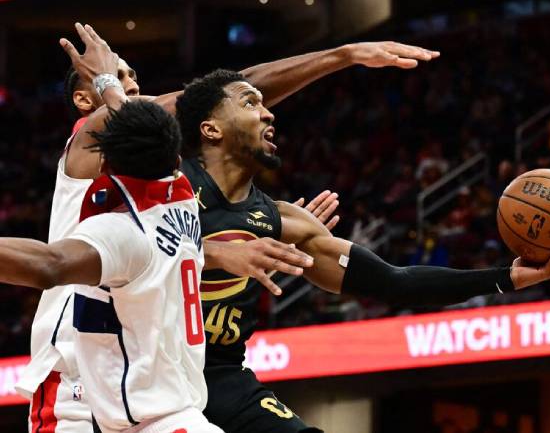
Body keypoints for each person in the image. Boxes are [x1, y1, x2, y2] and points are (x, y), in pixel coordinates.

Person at [18, 23, 440, 432]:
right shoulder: (89, 149)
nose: (131, 84)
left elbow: (223, 102)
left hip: (153, 381)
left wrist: (249, 234)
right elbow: (68, 261)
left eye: (134, 76)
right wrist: (340, 55)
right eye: (120, 76)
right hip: (77, 379)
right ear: (82, 100)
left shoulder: (171, 185)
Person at [175, 69, 550, 433]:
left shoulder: (284, 222)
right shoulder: (164, 186)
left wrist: (506, 278)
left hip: (222, 375)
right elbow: (113, 251)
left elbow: (395, 281)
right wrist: (209, 252)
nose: (269, 113)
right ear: (211, 128)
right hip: (149, 367)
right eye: (251, 103)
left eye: (266, 104)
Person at [2, 99, 224, 432]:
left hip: (144, 420)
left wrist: (108, 84)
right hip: (182, 413)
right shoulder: (184, 201)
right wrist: (110, 87)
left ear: (103, 164)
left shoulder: (122, 232)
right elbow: (148, 133)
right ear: (176, 162)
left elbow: (47, 266)